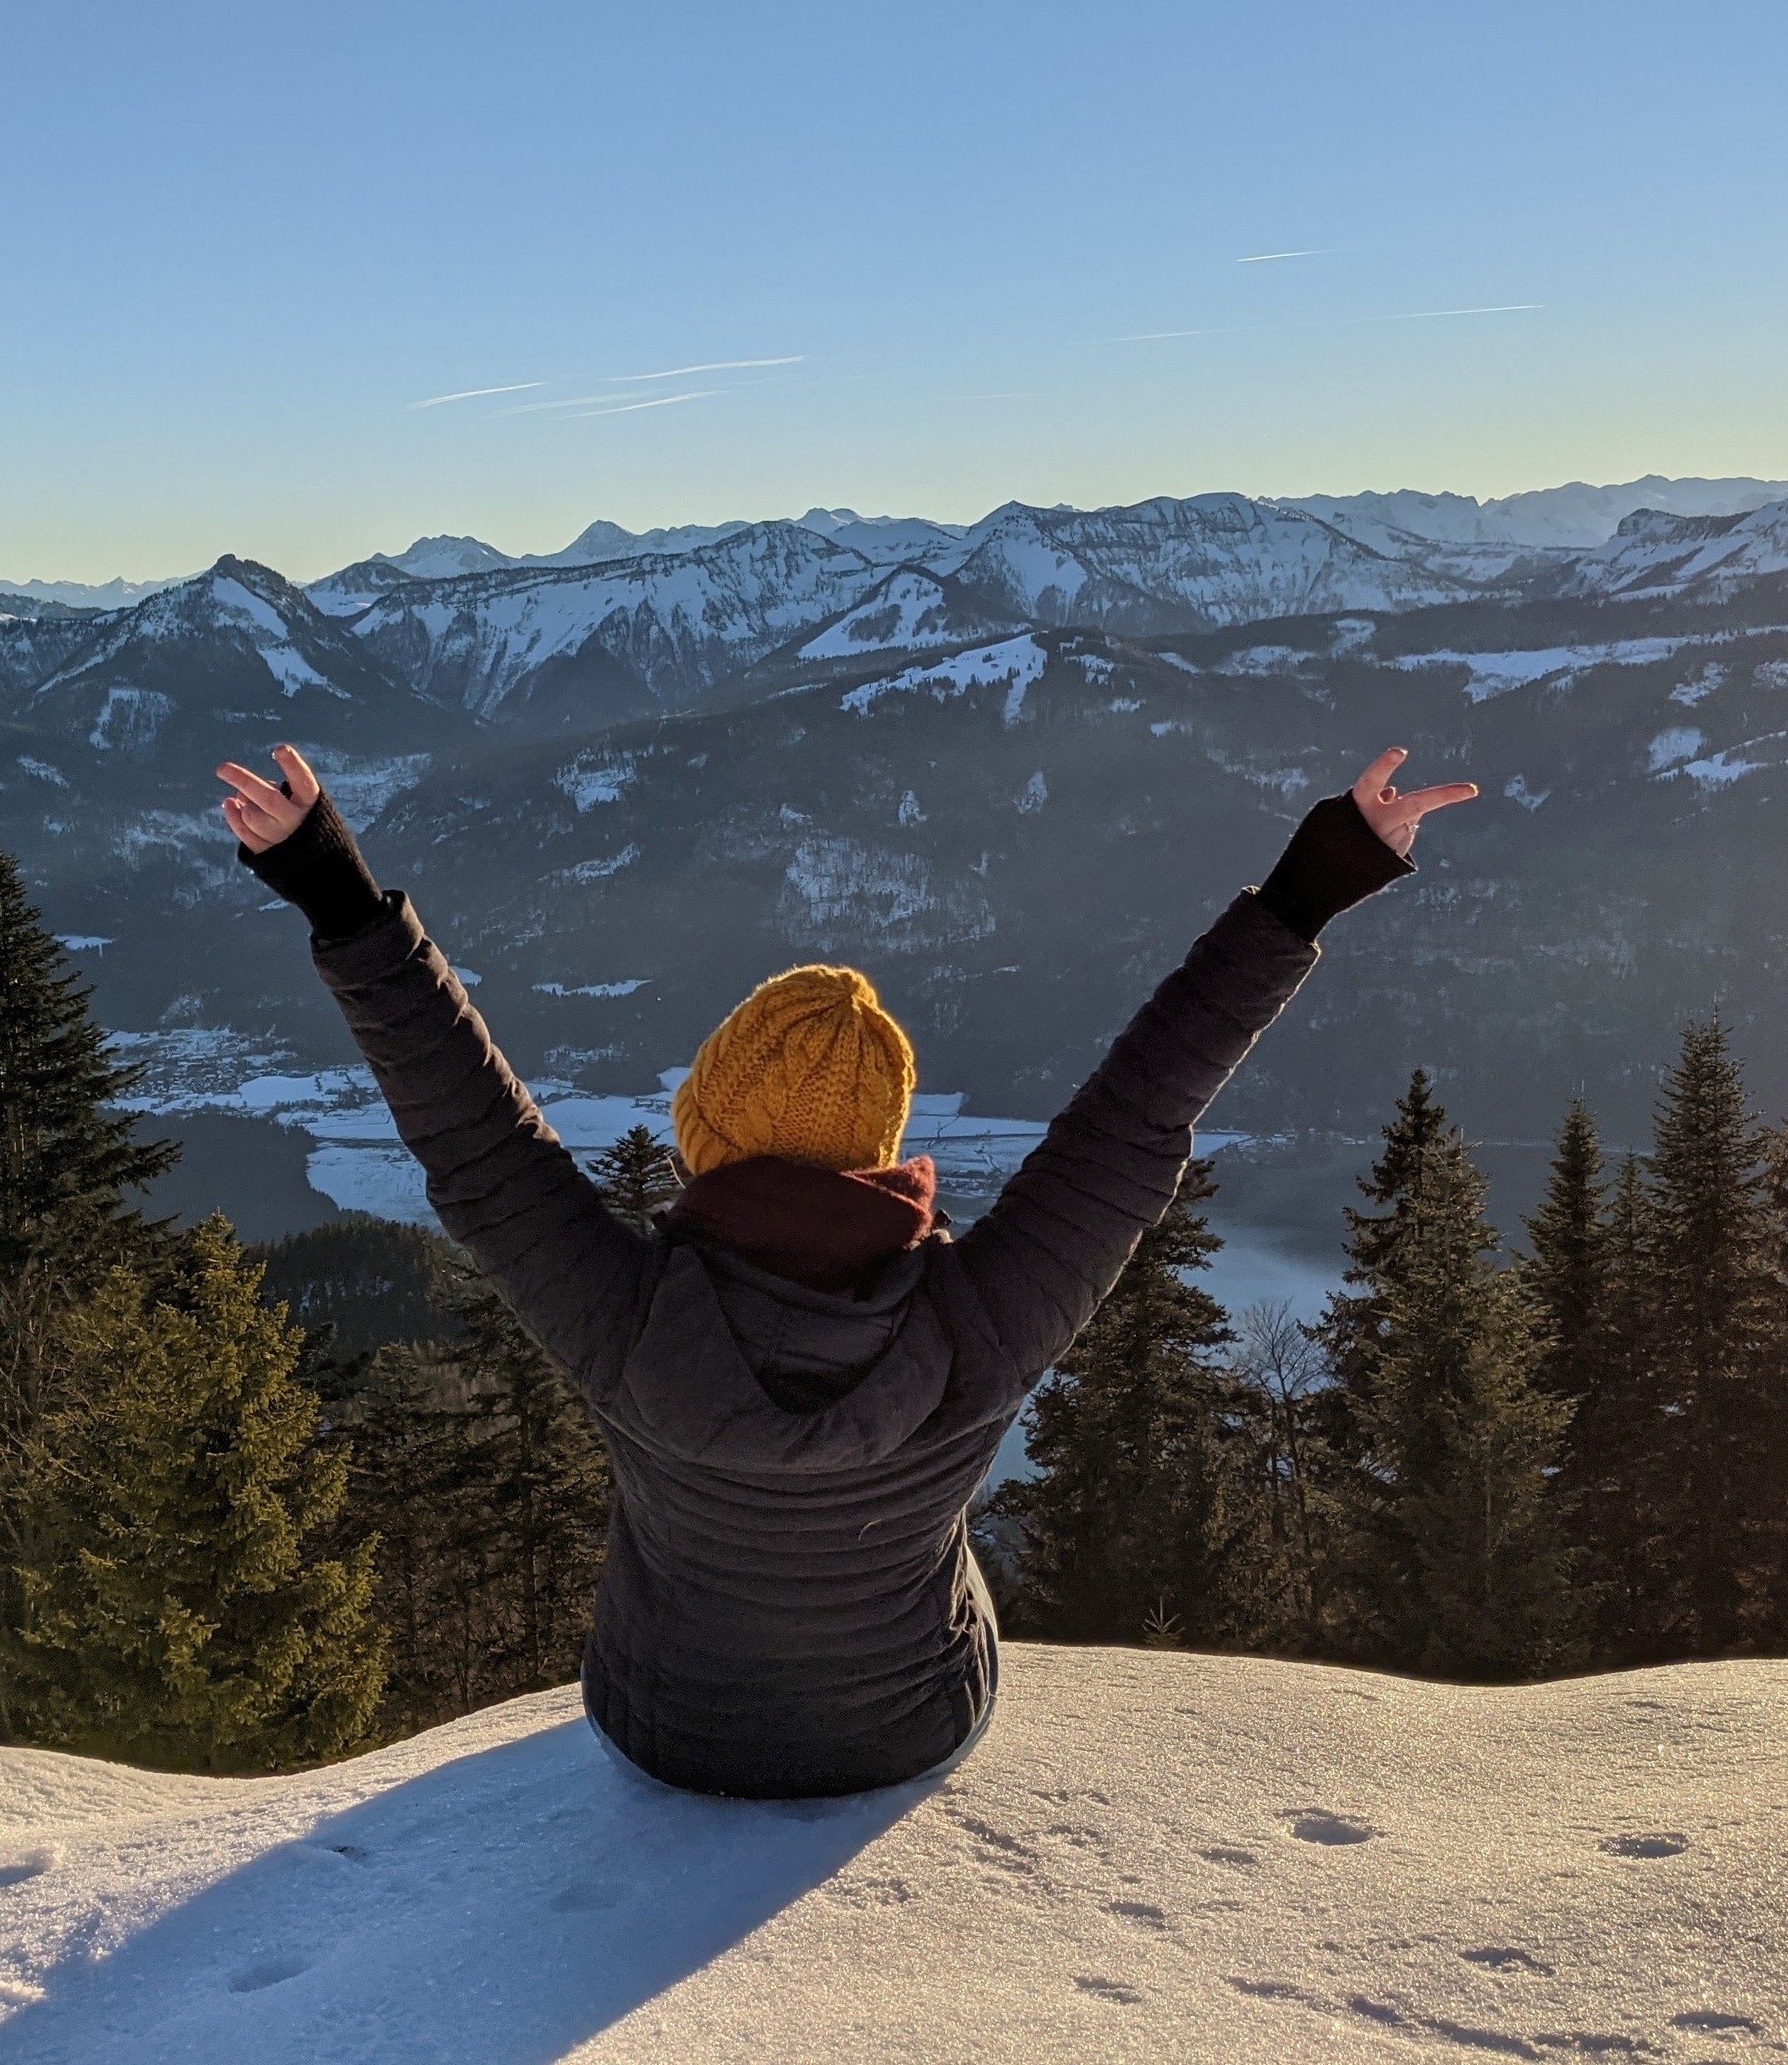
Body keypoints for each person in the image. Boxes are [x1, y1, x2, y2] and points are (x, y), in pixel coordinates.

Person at [215, 741, 1476, 1800]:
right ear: (881, 1155)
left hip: (666, 1738)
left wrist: (332, 887)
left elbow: (472, 1136)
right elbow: (1137, 1115)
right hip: (907, 1736)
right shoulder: (979, 1323)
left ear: (705, 1135)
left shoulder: (627, 1321)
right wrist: (1309, 890)